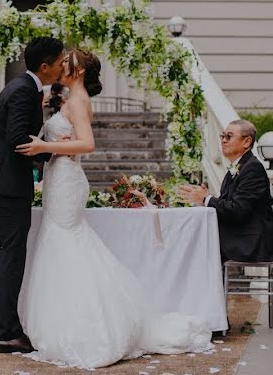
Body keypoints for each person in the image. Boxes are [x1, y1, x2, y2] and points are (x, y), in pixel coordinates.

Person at [15, 49, 211, 368]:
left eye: (68, 62)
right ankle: (69, 318)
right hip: (58, 177)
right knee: (61, 241)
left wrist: (45, 146)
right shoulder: (66, 98)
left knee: (66, 242)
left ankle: (88, 326)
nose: (62, 65)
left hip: (67, 181)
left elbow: (88, 144)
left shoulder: (78, 101)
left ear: (79, 72)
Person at [0, 37, 65, 354]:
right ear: (45, 66)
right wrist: (53, 154)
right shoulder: (22, 91)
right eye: (60, 61)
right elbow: (18, 139)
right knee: (11, 256)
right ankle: (7, 332)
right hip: (8, 187)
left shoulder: (21, 87)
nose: (63, 66)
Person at [177, 120, 273, 264]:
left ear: (246, 141)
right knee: (189, 238)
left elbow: (238, 210)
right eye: (222, 136)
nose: (223, 140)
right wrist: (204, 199)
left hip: (248, 242)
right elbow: (231, 205)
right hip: (236, 234)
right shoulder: (239, 167)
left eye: (229, 137)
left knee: (190, 245)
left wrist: (207, 199)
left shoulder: (252, 169)